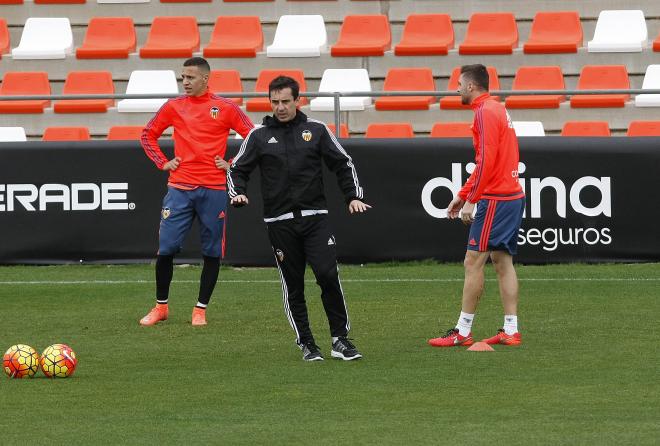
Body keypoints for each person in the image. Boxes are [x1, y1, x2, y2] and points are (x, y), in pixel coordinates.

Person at [227, 76, 370, 362]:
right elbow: (237, 170)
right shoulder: (257, 136)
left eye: (285, 102)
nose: (279, 108)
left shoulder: (316, 130)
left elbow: (343, 164)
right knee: (293, 284)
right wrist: (238, 193)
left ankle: (339, 339)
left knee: (328, 275)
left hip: (316, 219)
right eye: (274, 102)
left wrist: (353, 196)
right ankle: (306, 342)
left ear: (298, 101)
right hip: (279, 222)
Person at [138, 57, 254, 327]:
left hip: (213, 189)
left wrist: (232, 163)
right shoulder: (174, 106)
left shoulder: (225, 108)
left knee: (212, 251)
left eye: (190, 77)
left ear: (205, 78)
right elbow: (147, 134)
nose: (185, 82)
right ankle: (161, 307)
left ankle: (199, 310)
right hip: (179, 188)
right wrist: (163, 162)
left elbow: (253, 136)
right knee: (166, 249)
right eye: (183, 78)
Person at [428, 64, 525, 347]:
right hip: (511, 196)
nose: (456, 88)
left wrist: (472, 200)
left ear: (471, 86)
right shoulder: (497, 109)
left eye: (459, 83)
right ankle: (510, 329)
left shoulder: (484, 112)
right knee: (502, 261)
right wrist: (464, 193)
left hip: (496, 199)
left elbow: (486, 161)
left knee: (473, 261)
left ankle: (462, 331)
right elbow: (488, 162)